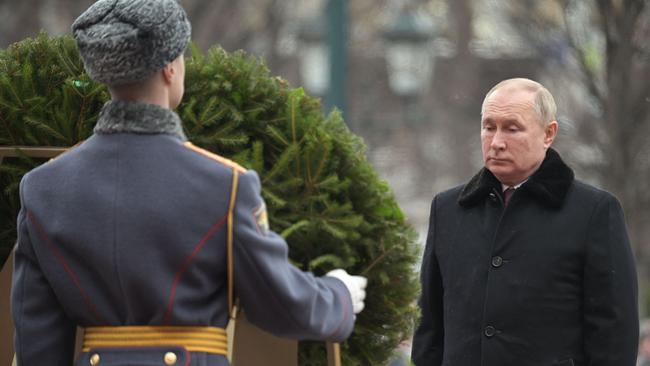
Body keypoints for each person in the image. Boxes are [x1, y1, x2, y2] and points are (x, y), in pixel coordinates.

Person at [11, 1, 366, 365]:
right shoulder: (224, 184)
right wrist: (337, 294)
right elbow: (281, 305)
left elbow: (36, 342)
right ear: (169, 67)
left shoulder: (43, 188)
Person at [411, 78, 638, 366]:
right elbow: (429, 328)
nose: (496, 142)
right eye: (488, 127)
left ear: (548, 133)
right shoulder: (447, 210)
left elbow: (614, 336)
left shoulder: (594, 212)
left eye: (512, 128)